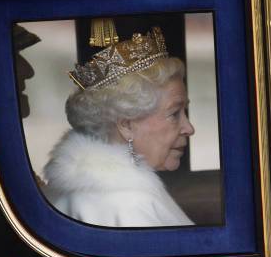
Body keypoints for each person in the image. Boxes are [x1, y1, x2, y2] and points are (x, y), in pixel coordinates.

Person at [42, 27, 195, 227]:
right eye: (174, 114)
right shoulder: (127, 205)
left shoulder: (117, 195)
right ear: (126, 125)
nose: (189, 128)